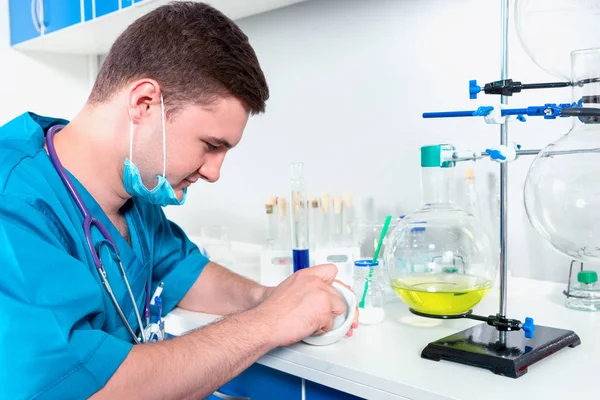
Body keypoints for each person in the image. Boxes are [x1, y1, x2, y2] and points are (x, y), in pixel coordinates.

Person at [0, 2, 358, 399]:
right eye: (210, 145)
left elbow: (181, 271)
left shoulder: (137, 193)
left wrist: (268, 296)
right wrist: (268, 322)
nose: (214, 172)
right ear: (144, 103)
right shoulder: (13, 204)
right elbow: (90, 391)